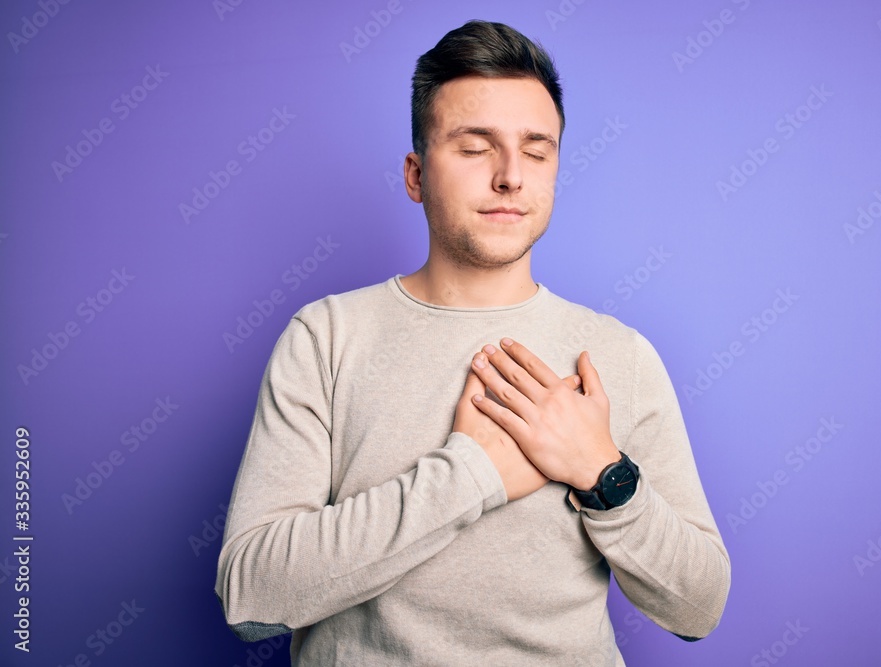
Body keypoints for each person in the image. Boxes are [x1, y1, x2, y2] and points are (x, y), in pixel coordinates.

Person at [215, 19, 730, 666]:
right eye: (474, 147)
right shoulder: (326, 338)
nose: (511, 175)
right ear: (415, 174)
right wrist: (471, 474)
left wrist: (606, 475)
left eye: (536, 150)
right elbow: (250, 599)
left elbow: (698, 607)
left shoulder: (618, 355)